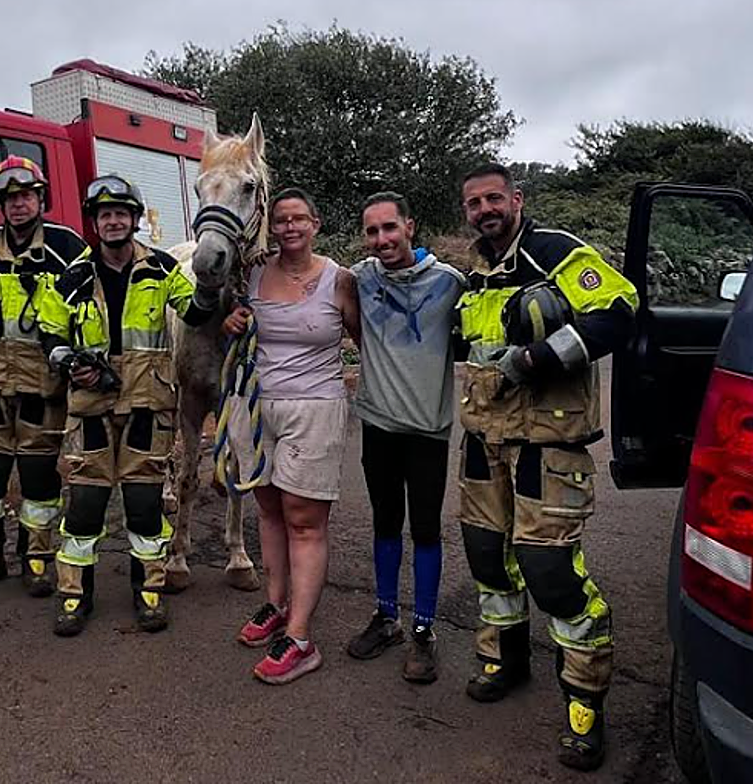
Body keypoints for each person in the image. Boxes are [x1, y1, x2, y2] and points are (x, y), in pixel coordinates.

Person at [455, 163, 637, 770]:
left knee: (550, 572)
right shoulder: (473, 275)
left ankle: (584, 706)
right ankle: (505, 660)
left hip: (547, 446)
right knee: (487, 558)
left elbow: (618, 309)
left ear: (516, 199)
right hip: (483, 445)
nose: (485, 209)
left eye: (494, 198)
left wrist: (533, 358)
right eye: (474, 202)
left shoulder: (557, 252)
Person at [40, 175, 221, 636]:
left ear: (135, 220)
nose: (114, 221)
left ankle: (149, 592)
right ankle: (75, 596)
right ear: (96, 222)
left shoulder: (162, 270)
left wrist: (208, 286)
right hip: (91, 408)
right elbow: (51, 333)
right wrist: (67, 361)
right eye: (105, 215)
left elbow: (195, 312)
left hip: (146, 405)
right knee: (84, 506)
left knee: (143, 507)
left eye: (122, 213)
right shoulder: (73, 275)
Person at [223, 187, 360, 685]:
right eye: (280, 220)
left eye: (299, 219)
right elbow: (229, 325)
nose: (289, 228)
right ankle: (275, 605)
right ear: (270, 227)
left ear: (315, 223)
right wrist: (230, 321)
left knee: (304, 521)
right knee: (268, 511)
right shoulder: (254, 272)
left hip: (313, 409)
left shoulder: (339, 280)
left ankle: (301, 639)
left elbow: (363, 338)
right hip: (257, 408)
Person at [0, 156, 90, 599]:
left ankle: (36, 558)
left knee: (39, 477)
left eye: (26, 195)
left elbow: (89, 310)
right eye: (10, 198)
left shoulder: (67, 246)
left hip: (41, 386)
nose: (18, 205)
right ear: (0, 203)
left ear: (41, 198)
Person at [346, 192, 465, 684]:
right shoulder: (358, 277)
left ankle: (423, 629)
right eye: (372, 231)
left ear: (410, 227)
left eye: (389, 228)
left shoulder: (450, 283)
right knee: (385, 523)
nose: (381, 240)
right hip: (378, 424)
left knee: (428, 529)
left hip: (427, 431)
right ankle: (387, 616)